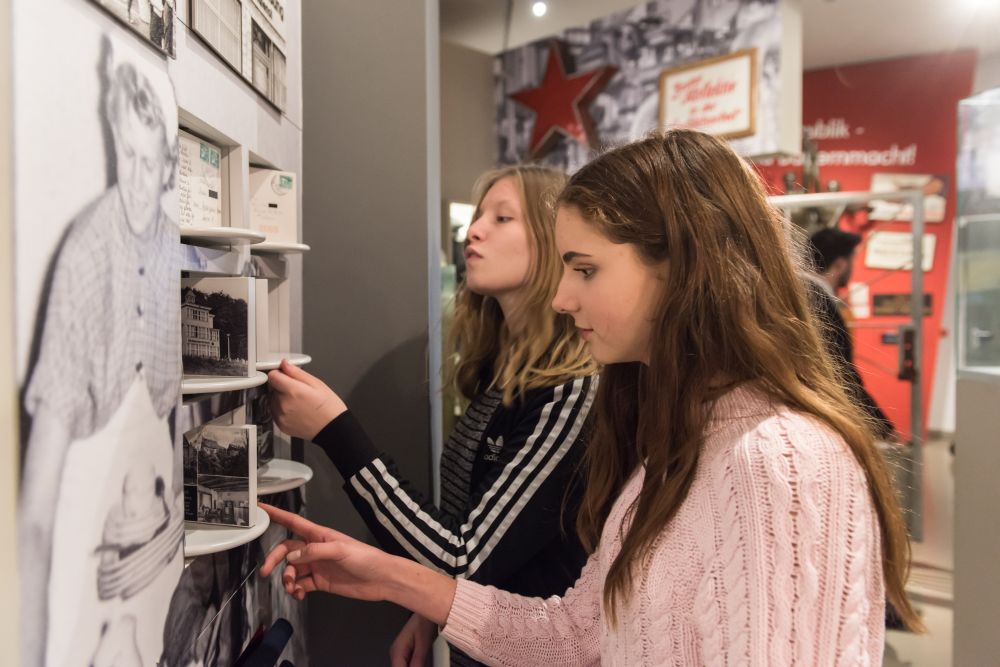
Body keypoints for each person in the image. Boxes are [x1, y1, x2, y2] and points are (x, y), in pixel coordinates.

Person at [260, 129, 923, 664]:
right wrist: (394, 578)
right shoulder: (681, 437)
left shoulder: (778, 458)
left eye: (585, 269)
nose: (562, 295)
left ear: (680, 266)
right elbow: (577, 634)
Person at [266, 165, 599, 666]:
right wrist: (425, 611)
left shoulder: (569, 393)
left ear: (557, 242)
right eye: (479, 215)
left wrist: (334, 430)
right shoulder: (501, 374)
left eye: (503, 217)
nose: (475, 230)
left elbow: (463, 560)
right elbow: (483, 536)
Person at [18, 57, 181, 667]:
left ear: (170, 165)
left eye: (151, 162)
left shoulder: (170, 242)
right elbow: (36, 515)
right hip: (82, 557)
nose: (137, 181)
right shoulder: (85, 257)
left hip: (149, 550)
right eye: (126, 157)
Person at [807, 227, 896, 440]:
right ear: (839, 264)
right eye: (852, 261)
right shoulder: (818, 302)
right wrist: (883, 428)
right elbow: (841, 374)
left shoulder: (799, 292)